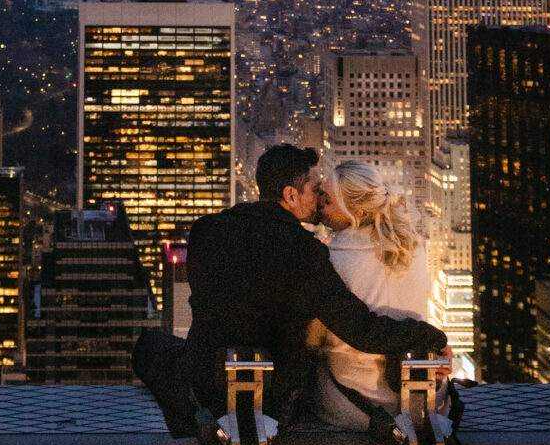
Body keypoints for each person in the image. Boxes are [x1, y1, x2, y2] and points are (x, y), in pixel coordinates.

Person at [177, 144, 448, 430]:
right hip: (269, 402)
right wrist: (432, 337)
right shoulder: (306, 252)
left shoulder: (205, 229)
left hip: (202, 386)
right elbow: (362, 330)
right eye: (315, 189)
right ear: (291, 195)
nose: (319, 198)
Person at [310, 159, 448, 430]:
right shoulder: (413, 247)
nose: (319, 204)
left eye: (327, 199)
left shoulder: (330, 259)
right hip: (426, 401)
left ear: (356, 210)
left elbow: (315, 338)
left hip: (352, 407)